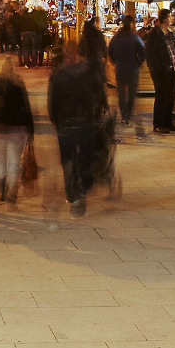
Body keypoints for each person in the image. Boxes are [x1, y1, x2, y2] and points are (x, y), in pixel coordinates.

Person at [48, 32, 108, 218]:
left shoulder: (58, 75)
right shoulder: (90, 72)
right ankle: (81, 189)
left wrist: (56, 121)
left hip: (66, 125)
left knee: (68, 161)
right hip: (86, 123)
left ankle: (73, 195)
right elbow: (100, 95)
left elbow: (52, 103)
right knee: (86, 160)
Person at [0, 55, 34, 203]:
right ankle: (12, 191)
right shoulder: (18, 82)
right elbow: (26, 107)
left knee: (0, 159)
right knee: (14, 162)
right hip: (17, 128)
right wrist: (31, 130)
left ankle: (1, 189)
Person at [107, 15, 147, 139]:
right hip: (132, 68)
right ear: (131, 24)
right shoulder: (135, 38)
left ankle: (124, 116)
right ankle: (128, 115)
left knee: (121, 93)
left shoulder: (116, 38)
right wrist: (138, 63)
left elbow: (109, 52)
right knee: (131, 94)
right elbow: (143, 52)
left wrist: (115, 62)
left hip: (120, 68)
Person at [144, 8, 175, 134]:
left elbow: (172, 49)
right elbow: (150, 53)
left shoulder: (169, 33)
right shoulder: (155, 33)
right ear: (165, 18)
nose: (172, 18)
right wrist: (157, 67)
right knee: (161, 96)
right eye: (170, 16)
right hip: (161, 71)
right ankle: (158, 124)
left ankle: (167, 122)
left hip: (172, 69)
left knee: (171, 97)